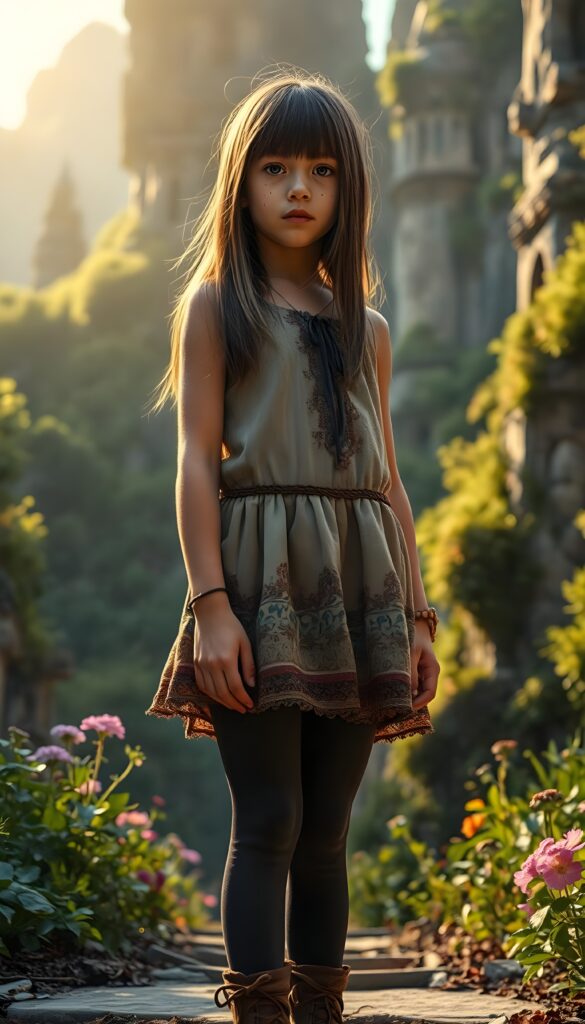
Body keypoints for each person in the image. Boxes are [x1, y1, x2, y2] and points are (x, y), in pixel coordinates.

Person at [145, 67, 440, 1024]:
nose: (300, 187)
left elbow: (389, 481)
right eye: (276, 168)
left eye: (321, 169)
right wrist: (211, 608)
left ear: (348, 187)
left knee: (326, 831)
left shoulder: (370, 329)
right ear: (244, 183)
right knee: (268, 818)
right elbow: (194, 462)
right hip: (255, 582)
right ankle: (258, 1012)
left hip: (364, 592)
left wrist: (420, 618)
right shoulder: (216, 305)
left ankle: (322, 1012)